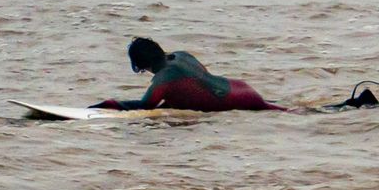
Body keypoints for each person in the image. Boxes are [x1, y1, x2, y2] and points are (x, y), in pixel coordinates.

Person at [92, 37, 287, 112]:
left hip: (237, 100)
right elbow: (193, 87)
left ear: (142, 63)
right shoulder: (181, 55)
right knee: (283, 111)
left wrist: (110, 104)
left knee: (278, 111)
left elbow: (146, 105)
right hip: (242, 89)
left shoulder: (163, 79)